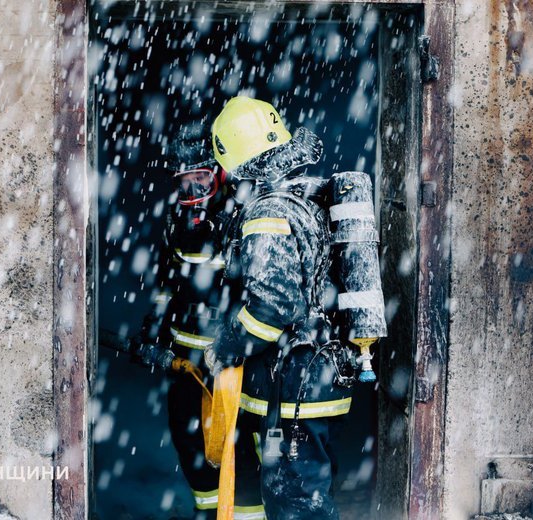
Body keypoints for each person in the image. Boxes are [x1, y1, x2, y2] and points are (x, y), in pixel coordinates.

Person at [206, 96, 379, 519]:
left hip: (295, 394)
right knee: (299, 498)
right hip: (314, 382)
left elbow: (274, 305)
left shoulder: (268, 212)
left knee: (297, 506)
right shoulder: (304, 198)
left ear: (233, 165)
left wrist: (227, 347)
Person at [134, 118, 259, 519]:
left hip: (230, 362)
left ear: (220, 174)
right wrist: (153, 324)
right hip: (183, 356)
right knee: (190, 442)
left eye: (201, 181)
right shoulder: (177, 222)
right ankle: (208, 511)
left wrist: (237, 343)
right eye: (184, 183)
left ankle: (245, 514)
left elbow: (255, 291)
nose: (192, 192)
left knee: (236, 447)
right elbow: (166, 280)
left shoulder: (240, 219)